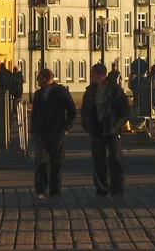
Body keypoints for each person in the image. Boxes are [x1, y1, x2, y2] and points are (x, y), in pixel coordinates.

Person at [81, 63, 130, 201]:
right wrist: (87, 125)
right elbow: (85, 110)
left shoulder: (114, 90)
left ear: (101, 75)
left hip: (112, 130)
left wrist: (116, 125)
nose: (90, 77)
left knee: (115, 160)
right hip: (96, 130)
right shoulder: (90, 91)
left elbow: (125, 111)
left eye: (92, 74)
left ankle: (117, 191)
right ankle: (101, 190)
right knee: (98, 161)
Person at [30, 69, 76, 204]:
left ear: (44, 78)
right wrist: (33, 130)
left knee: (56, 164)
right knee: (40, 164)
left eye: (38, 78)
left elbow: (72, 110)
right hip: (41, 133)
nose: (37, 80)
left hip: (56, 133)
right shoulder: (38, 94)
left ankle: (55, 193)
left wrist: (66, 128)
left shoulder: (60, 92)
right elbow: (35, 114)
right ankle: (41, 191)